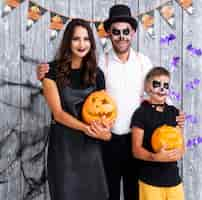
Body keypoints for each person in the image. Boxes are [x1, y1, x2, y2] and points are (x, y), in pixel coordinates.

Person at [36, 5, 185, 200]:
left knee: (134, 193)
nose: (121, 36)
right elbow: (81, 90)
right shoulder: (99, 65)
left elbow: (159, 93)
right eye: (116, 32)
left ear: (132, 33)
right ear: (108, 34)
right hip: (107, 140)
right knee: (108, 193)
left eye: (125, 31)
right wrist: (43, 73)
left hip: (136, 140)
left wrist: (175, 115)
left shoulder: (144, 62)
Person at [42, 18, 112, 200]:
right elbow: (58, 114)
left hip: (91, 151)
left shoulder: (97, 74)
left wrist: (106, 132)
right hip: (64, 149)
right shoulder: (51, 72)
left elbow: (105, 110)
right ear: (68, 42)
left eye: (86, 39)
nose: (82, 44)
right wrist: (86, 128)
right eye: (76, 39)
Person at [130, 67, 185, 200]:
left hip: (173, 180)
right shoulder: (141, 114)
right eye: (157, 84)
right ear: (147, 88)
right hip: (150, 181)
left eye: (165, 85)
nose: (162, 89)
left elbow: (181, 144)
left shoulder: (175, 113)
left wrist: (180, 151)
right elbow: (136, 150)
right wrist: (155, 157)